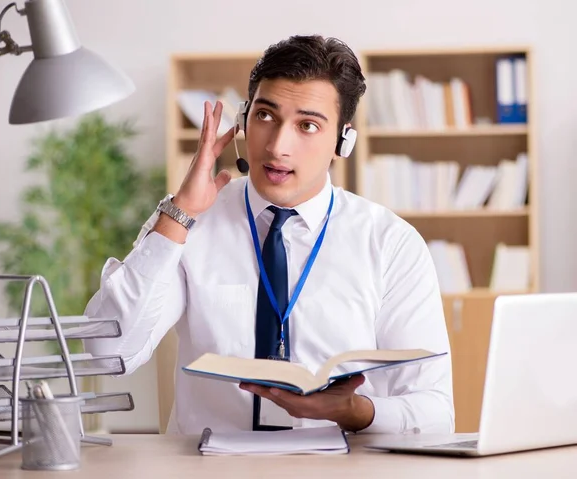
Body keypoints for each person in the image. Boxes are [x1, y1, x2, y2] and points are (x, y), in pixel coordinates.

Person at [83, 34, 454, 436]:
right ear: (243, 120)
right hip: (208, 470)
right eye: (265, 116)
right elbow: (107, 356)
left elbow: (435, 412)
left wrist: (354, 411)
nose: (278, 146)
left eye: (307, 125)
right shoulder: (186, 221)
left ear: (342, 142)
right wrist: (180, 215)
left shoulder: (390, 243)